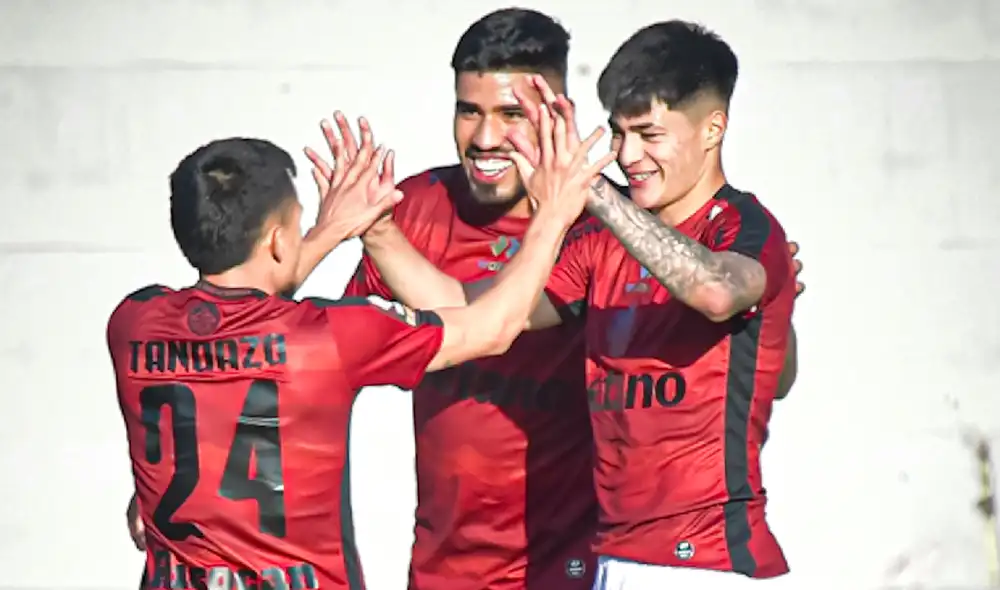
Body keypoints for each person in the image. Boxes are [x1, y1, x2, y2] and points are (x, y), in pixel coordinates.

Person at [126, 9, 806, 589]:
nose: (485, 138)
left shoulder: (630, 229)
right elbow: (280, 345)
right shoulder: (418, 207)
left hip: (580, 566)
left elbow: (746, 356)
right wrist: (190, 462)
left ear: (555, 115)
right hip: (446, 570)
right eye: (469, 111)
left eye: (511, 115)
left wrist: (772, 304)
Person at [356, 20, 798, 590]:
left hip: (707, 563)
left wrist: (590, 191)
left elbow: (717, 294)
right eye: (617, 134)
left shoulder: (741, 227)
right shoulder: (596, 245)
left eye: (649, 135)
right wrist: (379, 234)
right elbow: (484, 318)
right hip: (614, 560)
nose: (627, 154)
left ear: (713, 129)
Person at [109, 131, 609, 589]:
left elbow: (242, 302)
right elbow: (492, 329)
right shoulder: (332, 337)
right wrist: (553, 218)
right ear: (281, 241)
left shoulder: (133, 322)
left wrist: (328, 229)